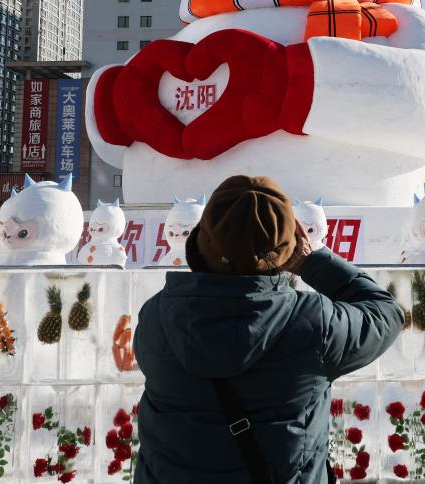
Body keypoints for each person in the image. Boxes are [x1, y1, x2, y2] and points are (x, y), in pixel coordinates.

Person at [133, 175, 404, 483]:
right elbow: (386, 314)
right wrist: (310, 262)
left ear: (199, 242)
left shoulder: (157, 317)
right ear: (286, 250)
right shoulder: (314, 325)